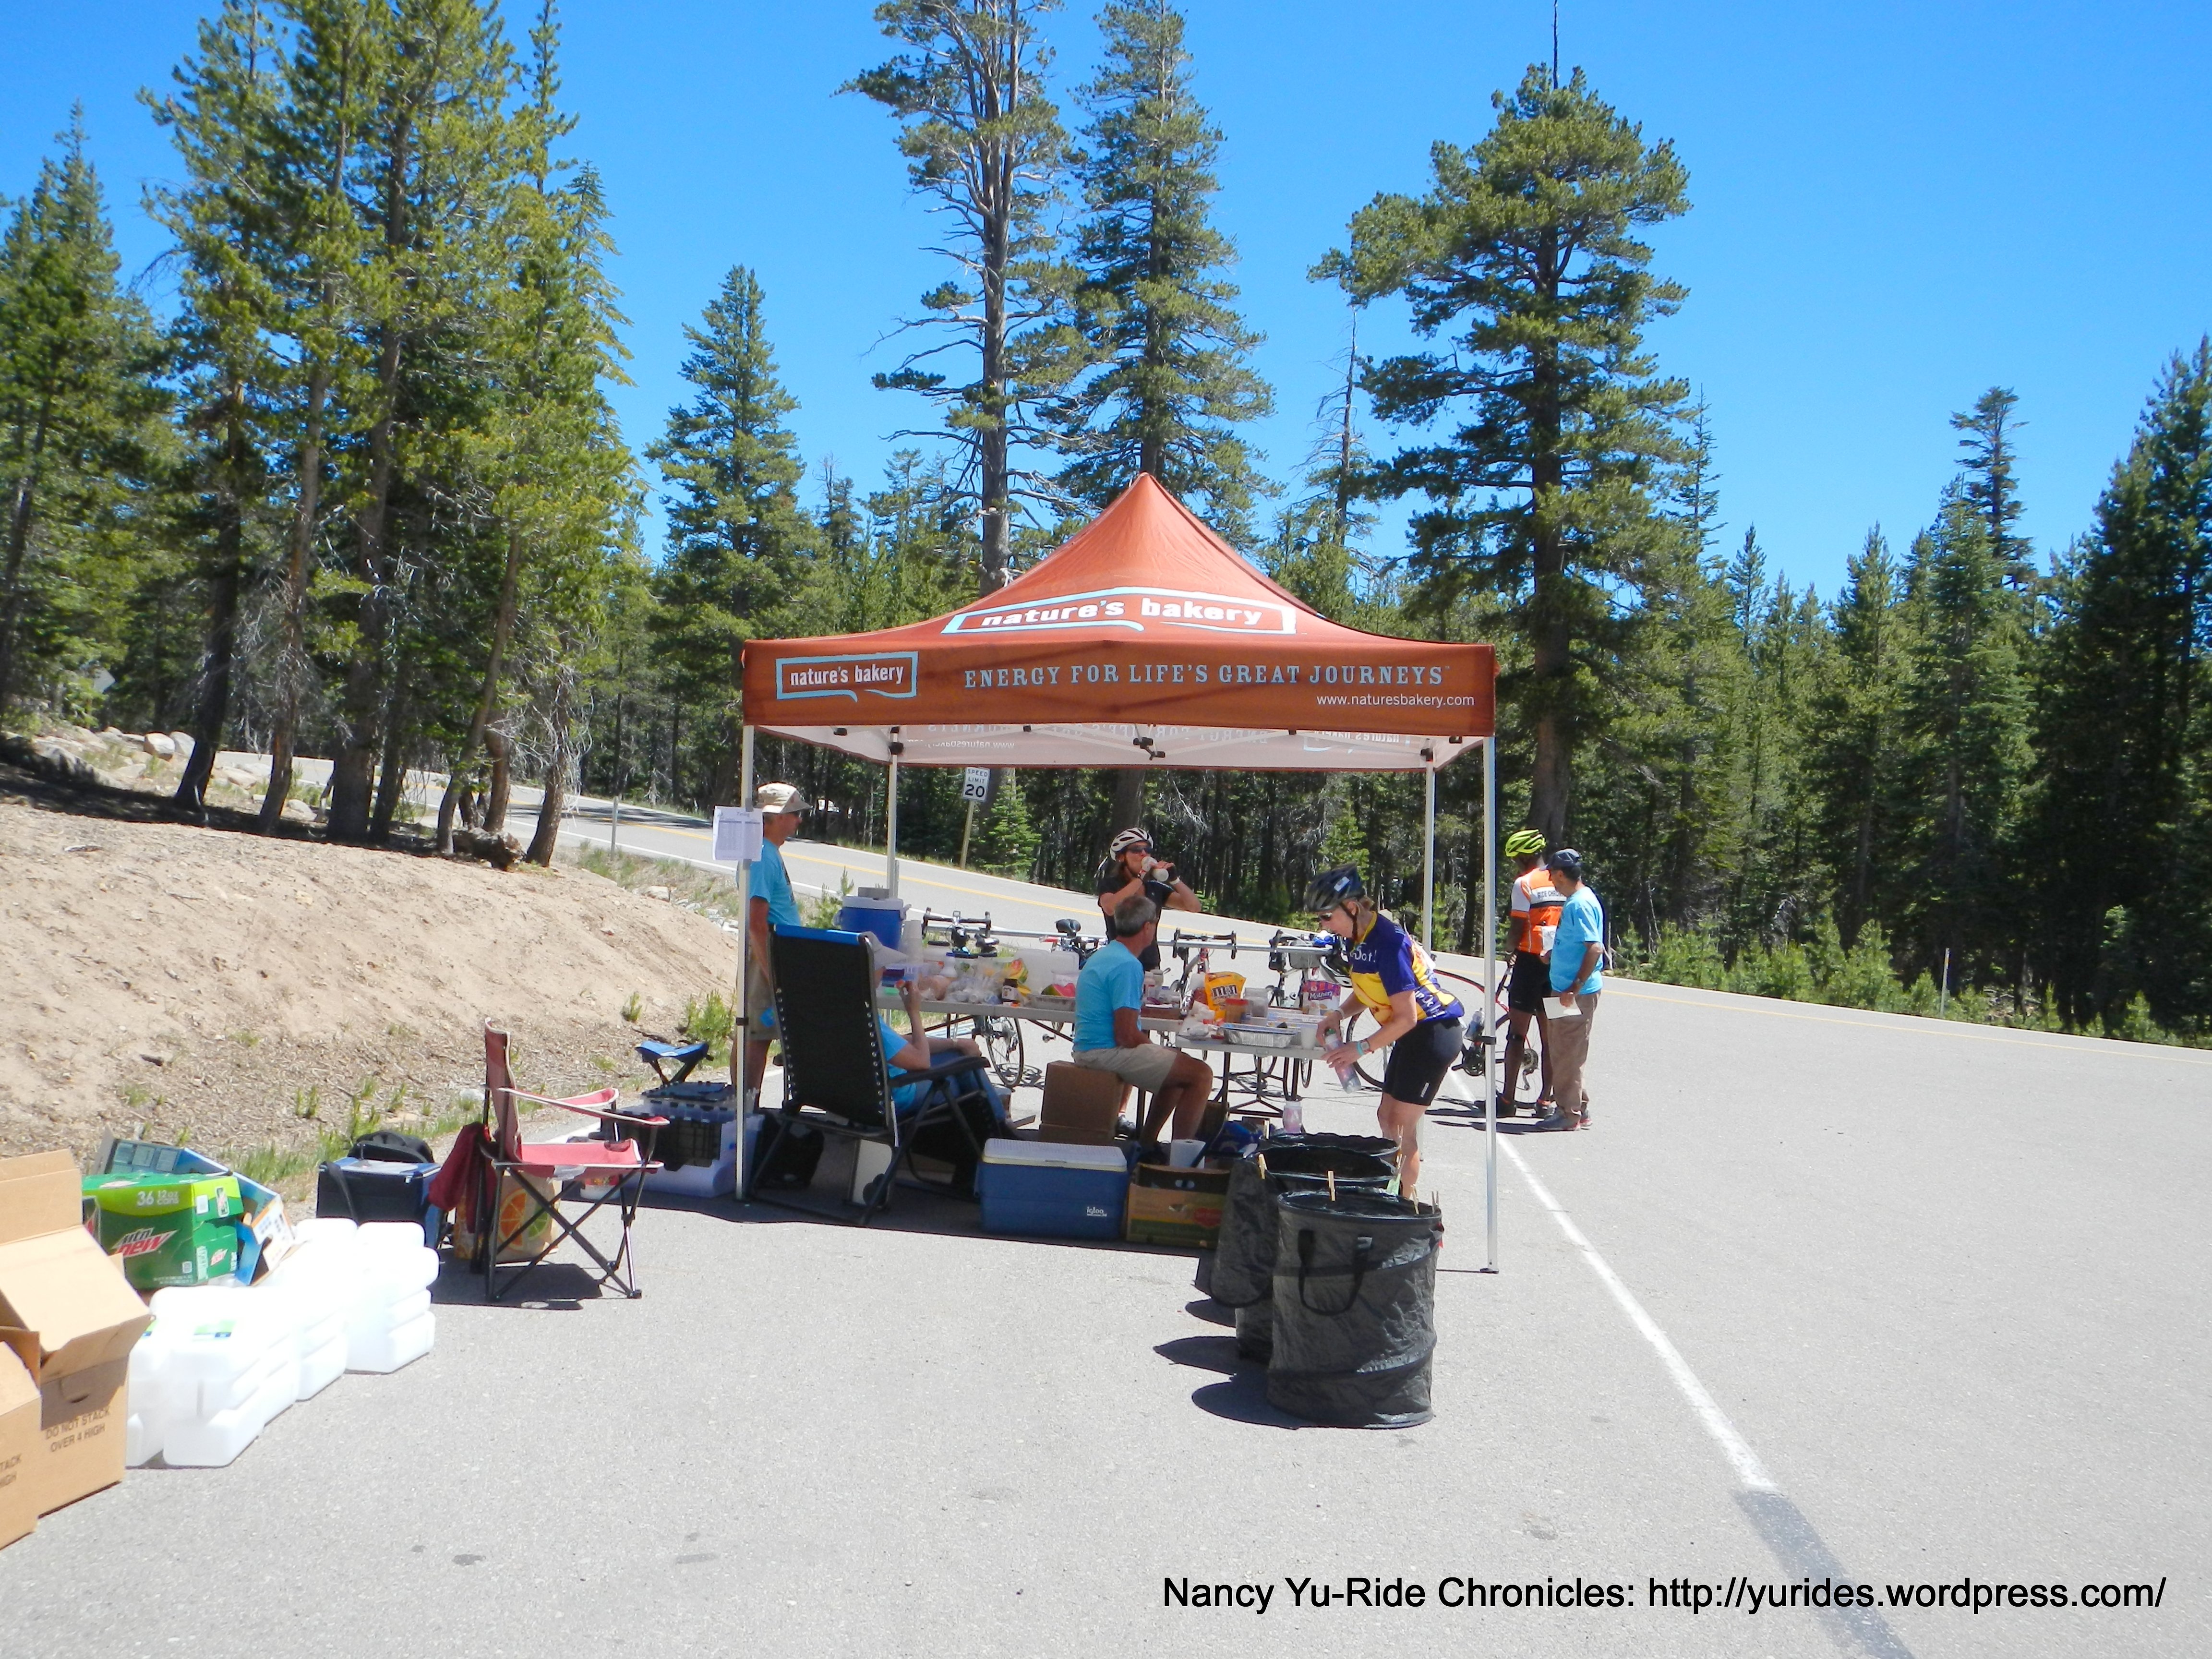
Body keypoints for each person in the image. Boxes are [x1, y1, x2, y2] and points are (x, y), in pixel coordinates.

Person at [1309, 866, 1464, 1201]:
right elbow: (1367, 989)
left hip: (1433, 1031)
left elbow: (1406, 1017)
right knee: (1387, 1119)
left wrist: (1360, 1048)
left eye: (1326, 916)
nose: (1323, 925)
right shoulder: (1357, 938)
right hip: (1413, 1032)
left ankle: (1405, 1207)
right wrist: (1337, 1013)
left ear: (1352, 908)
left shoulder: (1388, 943)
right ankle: (1393, 1193)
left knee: (1402, 1127)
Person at [1070, 894, 1215, 1148]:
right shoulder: (1127, 965)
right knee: (1201, 1074)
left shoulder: (1106, 955)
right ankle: (1181, 1158)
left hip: (1089, 1046)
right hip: (1104, 1052)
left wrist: (1160, 1053)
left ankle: (1148, 1145)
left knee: (1177, 1071)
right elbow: (1125, 1035)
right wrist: (1155, 1048)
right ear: (1148, 927)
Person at [744, 782, 805, 1093]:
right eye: (794, 814)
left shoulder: (769, 853)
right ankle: (747, 1106)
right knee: (758, 1033)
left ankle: (747, 1103)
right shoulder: (763, 856)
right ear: (777, 816)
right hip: (767, 949)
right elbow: (757, 922)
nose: (799, 820)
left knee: (763, 1033)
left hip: (778, 949)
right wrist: (772, 971)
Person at [1500, 829, 1561, 1116]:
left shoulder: (1524, 883)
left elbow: (1516, 931)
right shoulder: (1563, 880)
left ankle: (1508, 1100)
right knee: (1554, 1038)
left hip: (1528, 964)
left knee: (1517, 1034)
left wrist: (1507, 948)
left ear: (1523, 857)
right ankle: (1546, 1101)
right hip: (1559, 967)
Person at [1542, 848, 1604, 1132]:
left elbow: (1594, 947)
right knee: (1563, 1048)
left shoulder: (1580, 905)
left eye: (1552, 874)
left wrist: (1574, 987)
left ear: (1560, 874)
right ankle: (1580, 1104)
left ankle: (1569, 1114)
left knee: (1567, 1052)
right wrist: (1554, 954)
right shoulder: (1576, 901)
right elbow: (1576, 943)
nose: (1551, 881)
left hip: (1574, 993)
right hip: (1564, 989)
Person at [1095, 827, 1199, 973]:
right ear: (1121, 857)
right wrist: (1140, 877)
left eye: (1147, 850)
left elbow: (1193, 906)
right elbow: (1110, 908)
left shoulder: (1155, 889)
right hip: (1121, 963)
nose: (1143, 854)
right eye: (1136, 850)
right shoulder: (1111, 884)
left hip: (1151, 965)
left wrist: (1175, 880)